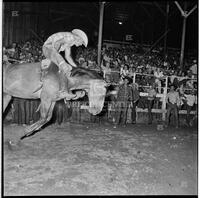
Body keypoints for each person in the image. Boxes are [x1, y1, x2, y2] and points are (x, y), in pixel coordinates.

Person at [42, 29, 88, 99]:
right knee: (65, 66)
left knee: (69, 67)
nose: (80, 44)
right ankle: (63, 91)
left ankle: (65, 89)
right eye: (82, 42)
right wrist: (56, 54)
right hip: (48, 48)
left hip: (51, 50)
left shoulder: (69, 41)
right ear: (78, 38)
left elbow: (68, 56)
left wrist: (76, 67)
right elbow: (58, 42)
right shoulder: (71, 37)